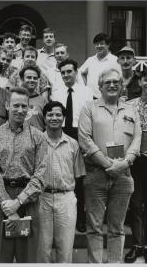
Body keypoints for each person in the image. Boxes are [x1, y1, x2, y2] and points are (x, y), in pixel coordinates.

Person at [78, 68, 142, 263]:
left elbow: (137, 139)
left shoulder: (131, 110)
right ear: (100, 87)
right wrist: (108, 164)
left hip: (124, 175)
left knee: (117, 227)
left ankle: (114, 263)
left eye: (116, 82)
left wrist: (124, 163)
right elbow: (85, 139)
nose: (112, 85)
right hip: (96, 173)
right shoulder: (89, 108)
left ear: (122, 86)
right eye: (108, 83)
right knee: (95, 226)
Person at [0, 87, 48, 263]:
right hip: (1, 200)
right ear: (7, 105)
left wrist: (19, 202)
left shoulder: (38, 137)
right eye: (16, 105)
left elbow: (41, 173)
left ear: (29, 108)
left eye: (24, 106)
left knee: (28, 256)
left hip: (29, 199)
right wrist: (8, 205)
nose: (20, 110)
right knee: (0, 256)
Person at [37, 101, 86, 263]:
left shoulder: (73, 144)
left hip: (65, 199)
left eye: (58, 114)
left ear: (64, 118)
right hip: (41, 198)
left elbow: (79, 175)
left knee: (65, 248)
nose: (54, 118)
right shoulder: (36, 142)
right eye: (50, 114)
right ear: (44, 117)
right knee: (42, 249)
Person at [52, 59, 93, 233]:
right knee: (62, 174)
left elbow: (90, 115)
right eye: (63, 73)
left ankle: (81, 219)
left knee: (79, 177)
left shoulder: (87, 91)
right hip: (62, 133)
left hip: (81, 133)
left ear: (76, 72)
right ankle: (61, 217)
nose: (66, 75)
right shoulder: (57, 93)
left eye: (69, 71)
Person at [124, 70, 147, 263]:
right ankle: (137, 244)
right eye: (146, 79)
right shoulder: (130, 105)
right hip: (137, 160)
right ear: (140, 81)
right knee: (136, 204)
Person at [80, 33, 121, 99]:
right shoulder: (90, 60)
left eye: (102, 43)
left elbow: (120, 79)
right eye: (96, 44)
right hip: (90, 98)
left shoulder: (115, 60)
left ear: (108, 45)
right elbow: (81, 73)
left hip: (107, 98)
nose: (99, 46)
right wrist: (85, 87)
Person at [19, 64, 48, 131]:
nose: (32, 80)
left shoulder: (43, 100)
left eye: (35, 78)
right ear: (22, 79)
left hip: (38, 139)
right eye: (29, 77)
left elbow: (48, 124)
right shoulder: (15, 99)